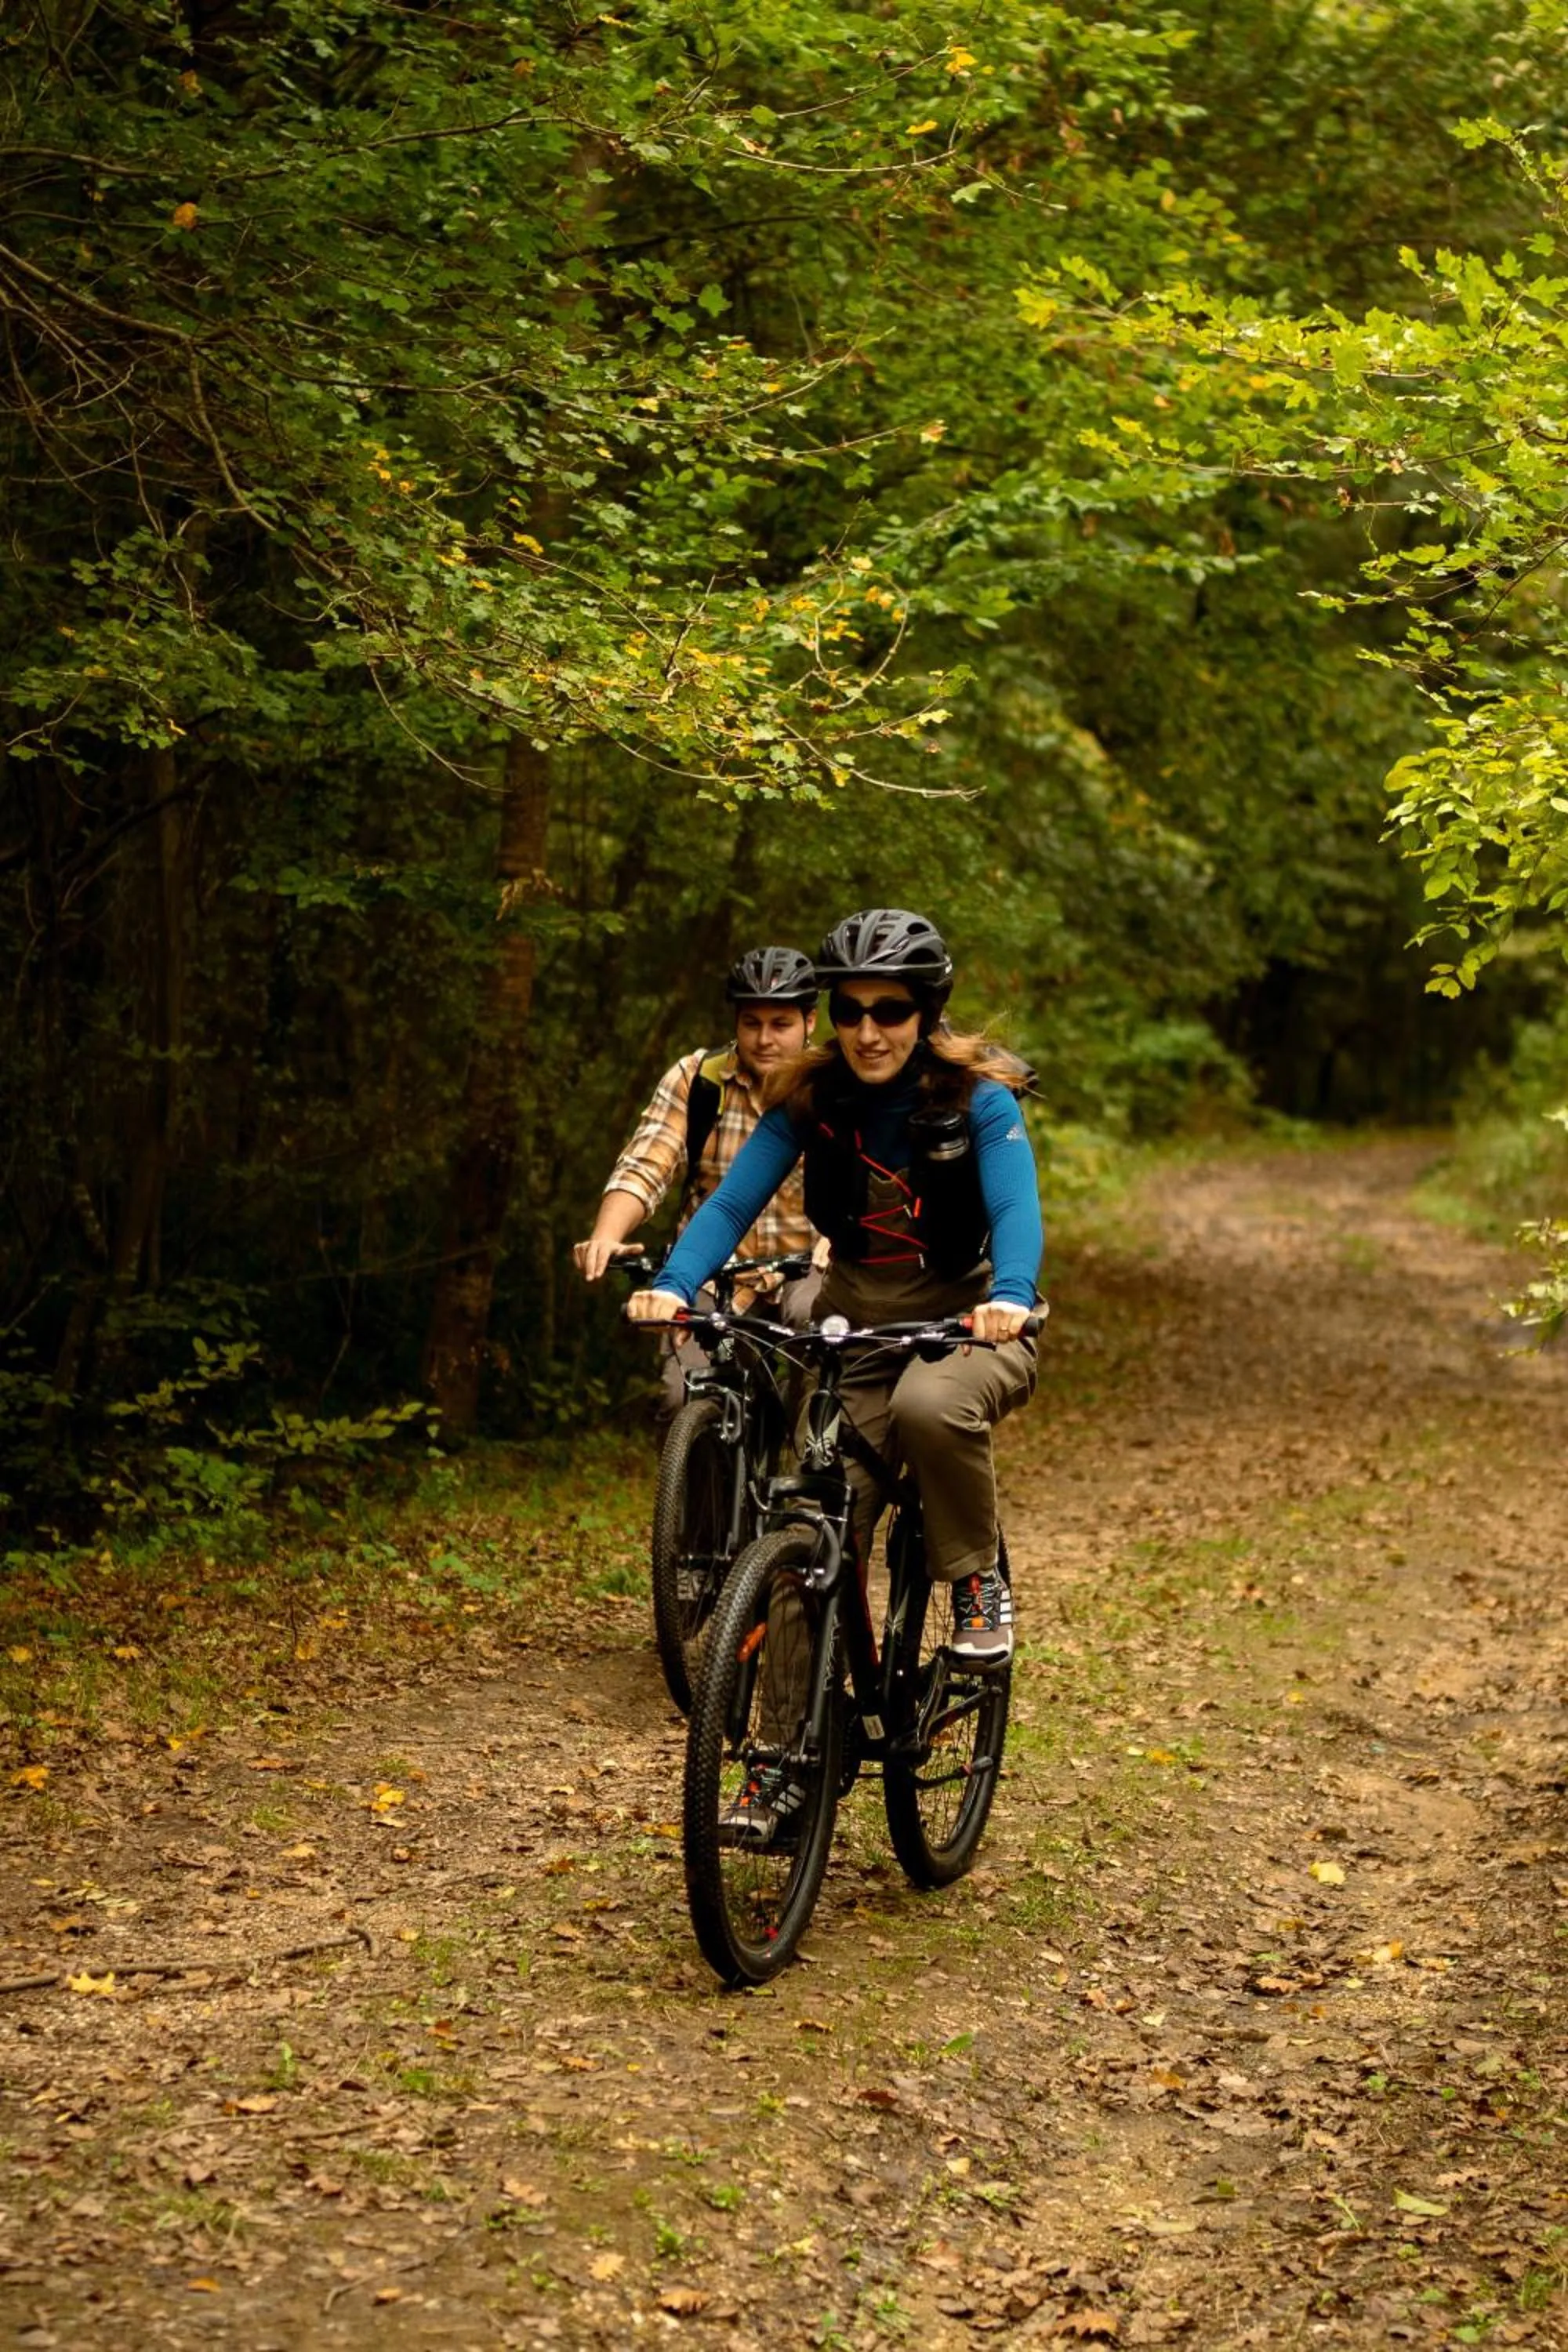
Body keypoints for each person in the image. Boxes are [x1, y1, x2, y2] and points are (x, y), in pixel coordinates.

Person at [628, 908, 1043, 1676]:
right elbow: (728, 1203)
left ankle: (976, 1582)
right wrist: (675, 1285)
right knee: (807, 1529)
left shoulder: (978, 1099)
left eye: (890, 1010)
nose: (867, 1030)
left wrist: (1010, 1296)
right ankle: (779, 1767)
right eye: (849, 1010)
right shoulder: (812, 1098)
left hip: (968, 1324)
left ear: (926, 1012)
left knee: (928, 1407)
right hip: (854, 1324)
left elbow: (1016, 1209)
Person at [575, 946, 822, 1417]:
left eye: (780, 1024)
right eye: (752, 1023)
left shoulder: (835, 1085)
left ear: (810, 1021)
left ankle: (814, 1475)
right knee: (682, 1396)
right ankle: (694, 1483)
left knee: (820, 1376)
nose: (764, 1039)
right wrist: (606, 1236)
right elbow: (647, 1163)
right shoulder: (698, 1079)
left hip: (808, 1268)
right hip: (713, 1270)